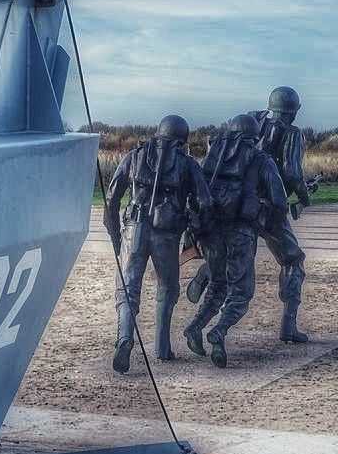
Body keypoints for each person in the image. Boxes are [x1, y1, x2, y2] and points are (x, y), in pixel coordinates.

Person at [103, 115, 211, 373]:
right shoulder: (186, 164)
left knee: (128, 289)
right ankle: (162, 347)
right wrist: (195, 229)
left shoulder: (134, 156)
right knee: (168, 288)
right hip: (167, 233)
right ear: (182, 140)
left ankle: (125, 338)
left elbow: (112, 198)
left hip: (134, 229)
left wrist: (117, 235)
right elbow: (205, 201)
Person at [183, 114, 286, 368]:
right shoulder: (261, 160)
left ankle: (195, 326)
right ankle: (219, 331)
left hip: (211, 232)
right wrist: (264, 214)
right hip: (241, 232)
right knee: (240, 293)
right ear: (255, 137)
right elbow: (280, 201)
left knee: (217, 287)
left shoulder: (214, 157)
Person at [252, 86, 311, 343]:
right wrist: (305, 197)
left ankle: (206, 273)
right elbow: (293, 173)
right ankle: (288, 326)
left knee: (234, 252)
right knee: (293, 260)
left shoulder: (255, 123)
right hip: (271, 209)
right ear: (294, 111)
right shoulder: (292, 133)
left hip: (242, 205)